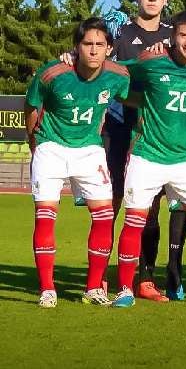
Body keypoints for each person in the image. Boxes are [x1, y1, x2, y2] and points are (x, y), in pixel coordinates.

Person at [110, 10, 186, 307]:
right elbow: (111, 72)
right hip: (147, 156)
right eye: (183, 35)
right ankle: (125, 288)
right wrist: (72, 56)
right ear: (172, 36)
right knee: (135, 221)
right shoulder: (151, 62)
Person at [26, 18, 131, 307]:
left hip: (90, 151)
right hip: (52, 148)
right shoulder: (53, 72)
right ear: (76, 47)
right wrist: (35, 144)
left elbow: (138, 90)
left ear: (109, 48)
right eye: (88, 44)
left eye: (100, 44)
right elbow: (32, 106)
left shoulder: (118, 75)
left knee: (104, 216)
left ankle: (94, 288)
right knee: (46, 215)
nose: (94, 50)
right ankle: (48, 288)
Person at [104, 0, 174, 302]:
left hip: (157, 130)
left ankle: (145, 278)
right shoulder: (119, 32)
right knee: (113, 201)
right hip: (121, 125)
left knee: (151, 207)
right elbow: (96, 65)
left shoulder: (175, 36)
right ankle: (102, 275)